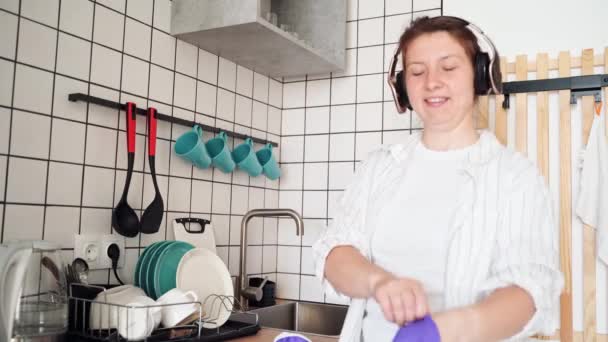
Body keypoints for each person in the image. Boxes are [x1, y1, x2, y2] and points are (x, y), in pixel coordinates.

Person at [312, 16, 563, 341]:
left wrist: (446, 330)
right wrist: (379, 281)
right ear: (403, 87)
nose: (432, 82)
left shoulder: (515, 176)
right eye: (417, 71)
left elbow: (530, 289)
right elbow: (335, 252)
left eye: (448, 67)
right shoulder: (378, 167)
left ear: (480, 74)